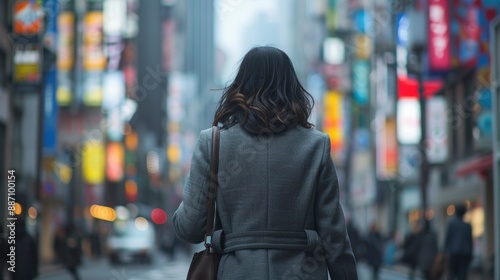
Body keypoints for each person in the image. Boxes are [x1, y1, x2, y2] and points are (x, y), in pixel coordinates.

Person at [172, 46, 358, 279]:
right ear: (292, 88)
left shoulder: (212, 142)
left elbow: (188, 227)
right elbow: (334, 237)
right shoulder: (316, 146)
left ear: (240, 86)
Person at [444, 204, 473, 280]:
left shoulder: (451, 224)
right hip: (464, 254)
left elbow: (447, 239)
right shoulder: (467, 226)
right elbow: (470, 242)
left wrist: (445, 251)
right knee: (462, 276)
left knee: (451, 275)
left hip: (453, 253)